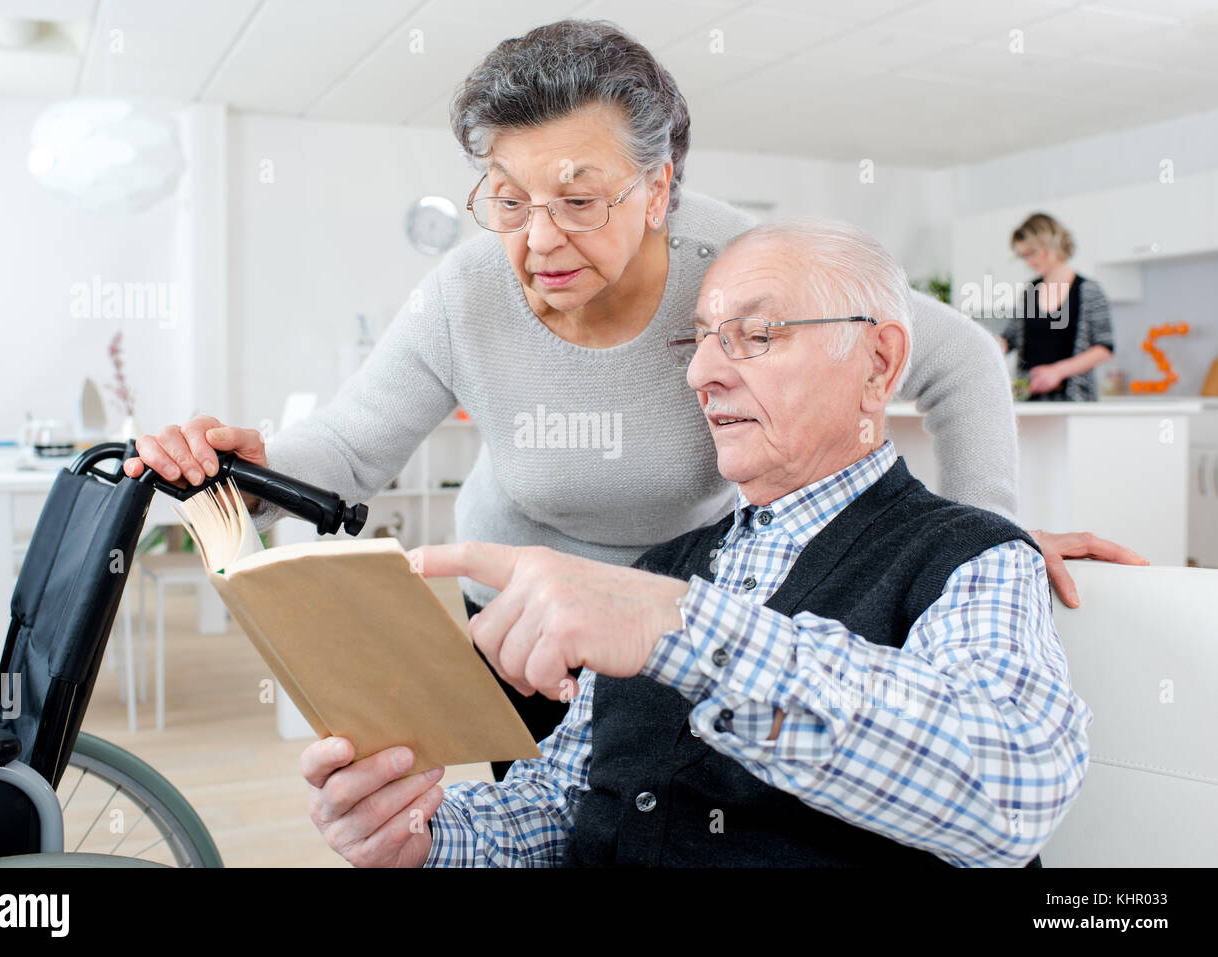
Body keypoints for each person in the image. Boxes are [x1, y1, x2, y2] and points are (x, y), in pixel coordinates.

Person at [122, 20, 1139, 779]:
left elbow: (954, 356)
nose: (538, 238)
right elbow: (348, 445)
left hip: (685, 608)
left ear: (660, 191)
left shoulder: (738, 267)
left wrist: (988, 538)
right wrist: (244, 470)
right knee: (542, 816)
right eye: (509, 200)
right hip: (515, 616)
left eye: (578, 198)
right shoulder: (469, 289)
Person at [301, 219, 1091, 868]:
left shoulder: (972, 558)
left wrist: (679, 627)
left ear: (878, 362)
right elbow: (556, 805)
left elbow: (1012, 791)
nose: (703, 373)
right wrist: (422, 835)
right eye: (701, 340)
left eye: (752, 335)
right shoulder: (662, 570)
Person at [998, 212, 1115, 400]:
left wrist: (1057, 371)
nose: (1029, 262)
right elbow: (1009, 339)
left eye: (1032, 253)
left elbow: (1104, 347)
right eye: (1024, 256)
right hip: (1029, 400)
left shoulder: (1088, 290)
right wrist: (988, 344)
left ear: (1050, 246)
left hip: (1075, 401)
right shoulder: (1030, 290)